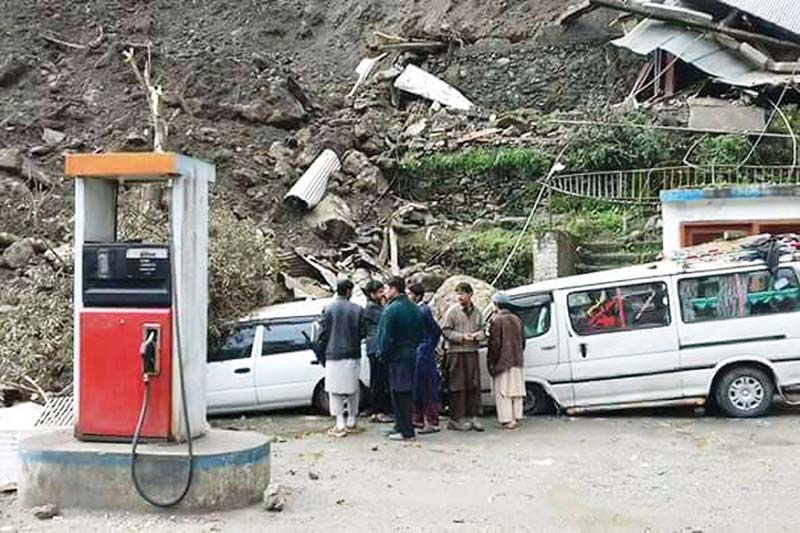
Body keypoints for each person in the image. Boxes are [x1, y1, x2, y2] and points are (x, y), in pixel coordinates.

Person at [315, 279, 365, 438]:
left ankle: (339, 424)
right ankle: (352, 420)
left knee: (334, 391)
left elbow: (322, 335)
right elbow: (363, 332)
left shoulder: (328, 309)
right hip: (353, 353)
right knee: (353, 389)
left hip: (333, 355)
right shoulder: (357, 309)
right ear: (349, 291)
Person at [376, 276, 424, 441]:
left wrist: (382, 354)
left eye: (387, 288)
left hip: (397, 357)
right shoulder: (414, 308)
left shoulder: (391, 310)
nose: (385, 292)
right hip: (412, 354)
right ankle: (401, 426)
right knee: (407, 392)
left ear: (394, 289)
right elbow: (421, 334)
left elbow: (385, 338)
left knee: (399, 394)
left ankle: (406, 431)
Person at [441, 282, 486, 432]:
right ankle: (456, 419)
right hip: (456, 353)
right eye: (458, 294)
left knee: (473, 385)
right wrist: (461, 337)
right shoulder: (452, 312)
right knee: (457, 386)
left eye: (462, 293)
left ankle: (474, 416)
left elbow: (483, 330)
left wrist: (476, 336)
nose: (459, 297)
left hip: (472, 352)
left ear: (470, 294)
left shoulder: (477, 312)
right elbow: (445, 331)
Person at [487, 292, 526, 430]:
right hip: (517, 360)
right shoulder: (517, 319)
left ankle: (507, 420)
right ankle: (516, 416)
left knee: (503, 392)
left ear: (497, 305)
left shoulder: (497, 320)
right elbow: (523, 342)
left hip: (503, 362)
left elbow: (495, 344)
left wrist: (492, 362)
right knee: (516, 390)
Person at [407, 283, 442, 434]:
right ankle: (419, 419)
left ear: (417, 296)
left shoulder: (423, 311)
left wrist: (429, 345)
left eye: (410, 294)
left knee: (426, 387)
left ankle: (431, 421)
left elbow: (436, 330)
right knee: (418, 387)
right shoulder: (417, 310)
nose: (408, 297)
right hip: (420, 351)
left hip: (424, 353)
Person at [364, 279, 392, 423]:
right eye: (380, 292)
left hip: (376, 347)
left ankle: (378, 409)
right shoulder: (372, 309)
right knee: (378, 381)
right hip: (376, 347)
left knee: (379, 380)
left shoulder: (376, 306)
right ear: (372, 294)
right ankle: (378, 411)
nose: (382, 294)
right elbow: (386, 320)